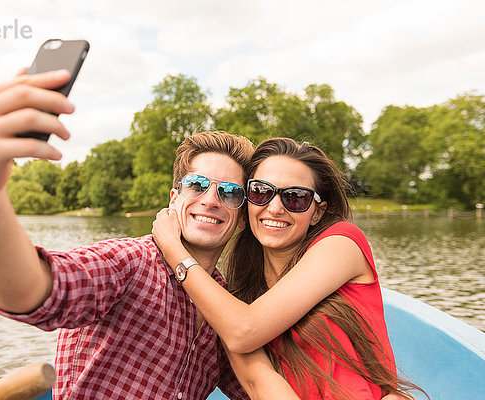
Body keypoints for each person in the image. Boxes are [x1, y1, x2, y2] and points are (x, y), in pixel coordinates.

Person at [0, 68, 264, 399]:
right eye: (197, 185)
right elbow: (29, 291)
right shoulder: (130, 262)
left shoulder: (225, 303)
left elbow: (255, 387)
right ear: (174, 199)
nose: (211, 200)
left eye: (231, 192)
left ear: (242, 216)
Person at [152, 137, 425, 399]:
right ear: (246, 202)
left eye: (295, 197)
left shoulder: (342, 244)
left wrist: (173, 248)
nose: (275, 208)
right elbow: (259, 382)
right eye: (261, 192)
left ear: (317, 211)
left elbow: (243, 331)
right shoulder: (238, 302)